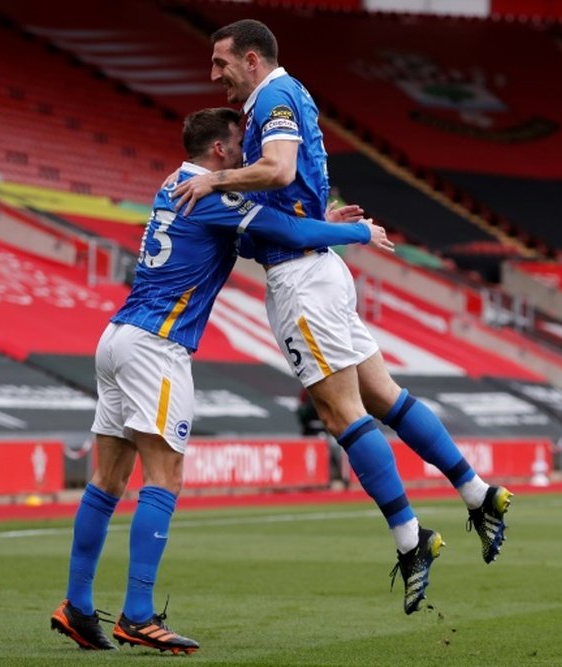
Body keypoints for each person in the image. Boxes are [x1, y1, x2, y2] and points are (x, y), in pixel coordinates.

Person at [173, 19, 513, 614]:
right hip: (320, 267)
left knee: (340, 413)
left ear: (251, 60)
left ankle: (412, 543)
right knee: (385, 397)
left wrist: (216, 180)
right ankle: (479, 493)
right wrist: (327, 214)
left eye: (221, 63)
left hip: (303, 280)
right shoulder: (291, 94)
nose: (214, 75)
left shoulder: (272, 96)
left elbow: (278, 171)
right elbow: (293, 186)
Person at [50, 107, 396, 654]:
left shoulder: (178, 183)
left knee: (108, 480)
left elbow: (266, 232)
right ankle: (137, 614)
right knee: (164, 477)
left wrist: (321, 214)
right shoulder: (211, 194)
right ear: (219, 151)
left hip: (117, 336)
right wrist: (356, 231)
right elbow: (281, 229)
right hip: (156, 346)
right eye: (241, 144)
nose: (249, 153)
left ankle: (77, 605)